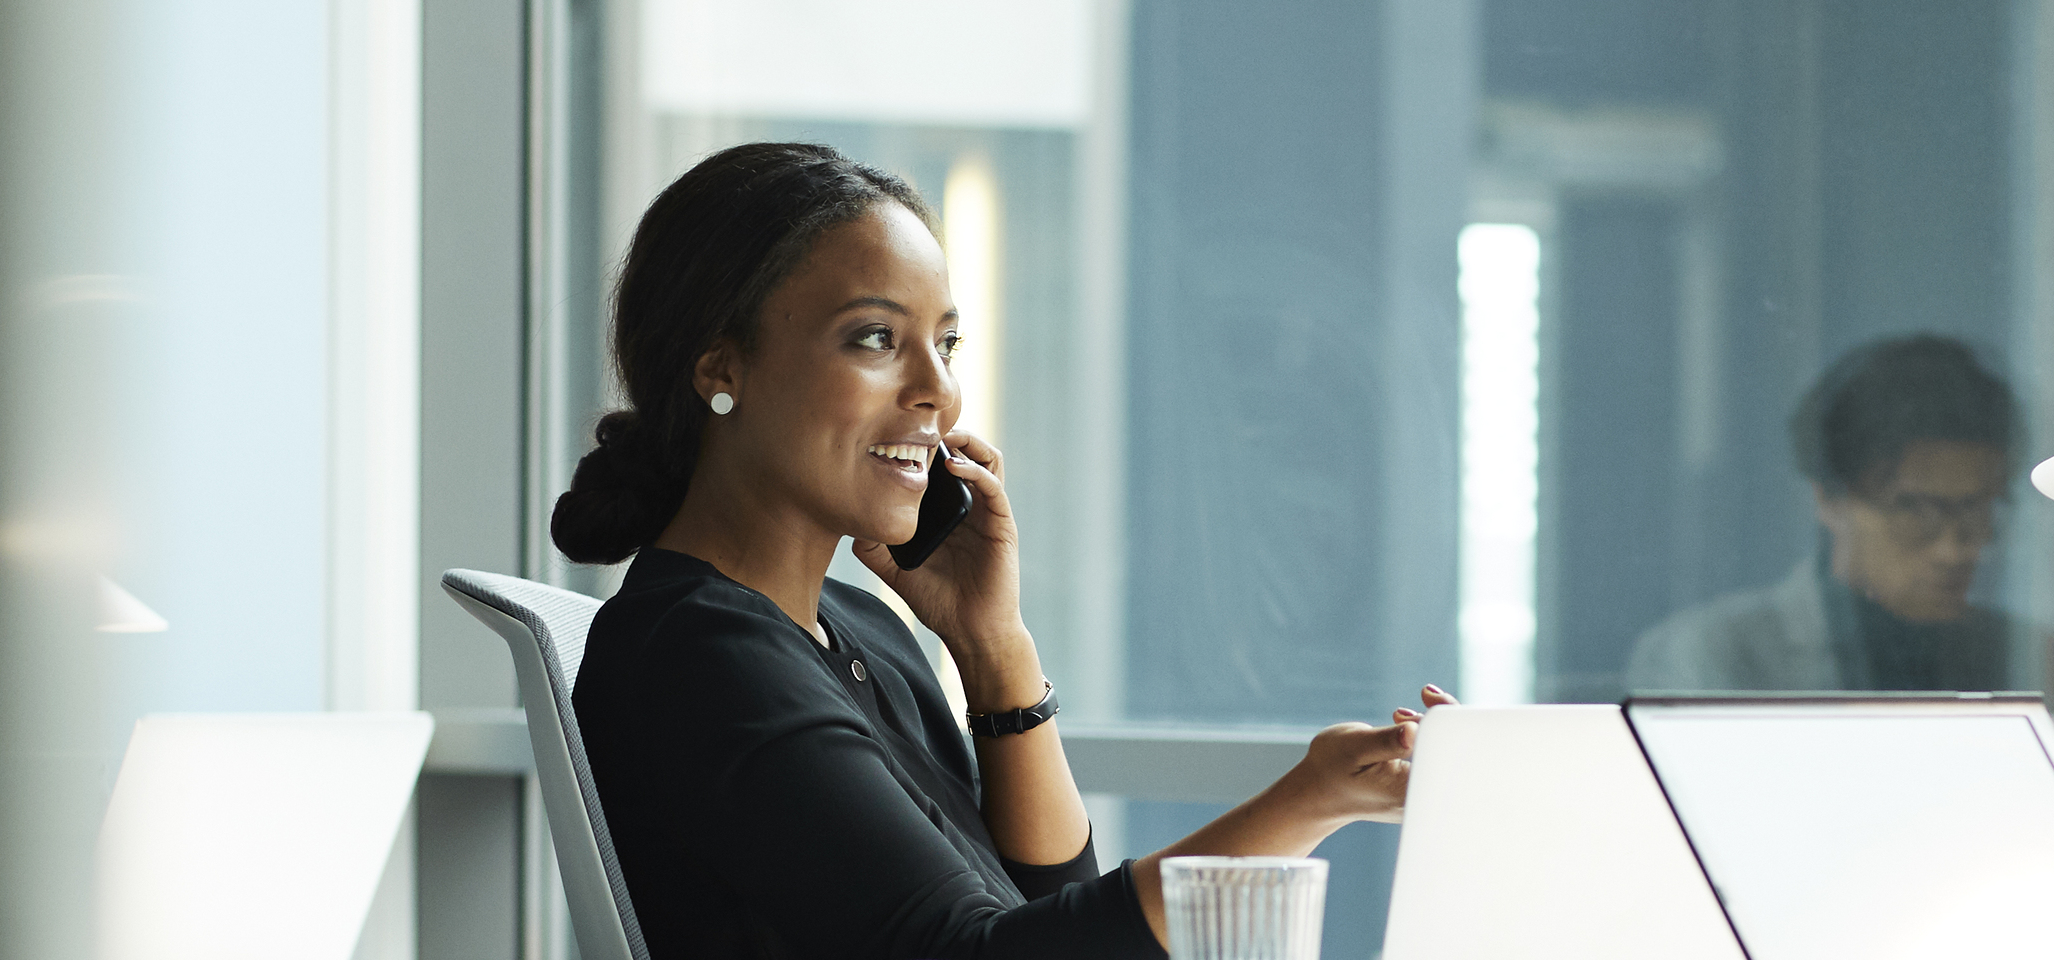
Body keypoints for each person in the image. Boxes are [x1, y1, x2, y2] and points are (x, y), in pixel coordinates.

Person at [553, 142, 1447, 960]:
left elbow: (1049, 904)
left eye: (944, 344)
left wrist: (993, 648)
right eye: (875, 339)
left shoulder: (856, 629)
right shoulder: (699, 654)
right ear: (721, 369)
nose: (937, 391)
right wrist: (1310, 799)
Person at [1624, 335, 2054, 701]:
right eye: (1915, 510)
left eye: (1977, 508)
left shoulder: (2033, 661)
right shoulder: (1718, 654)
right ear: (1830, 499)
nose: (1955, 547)